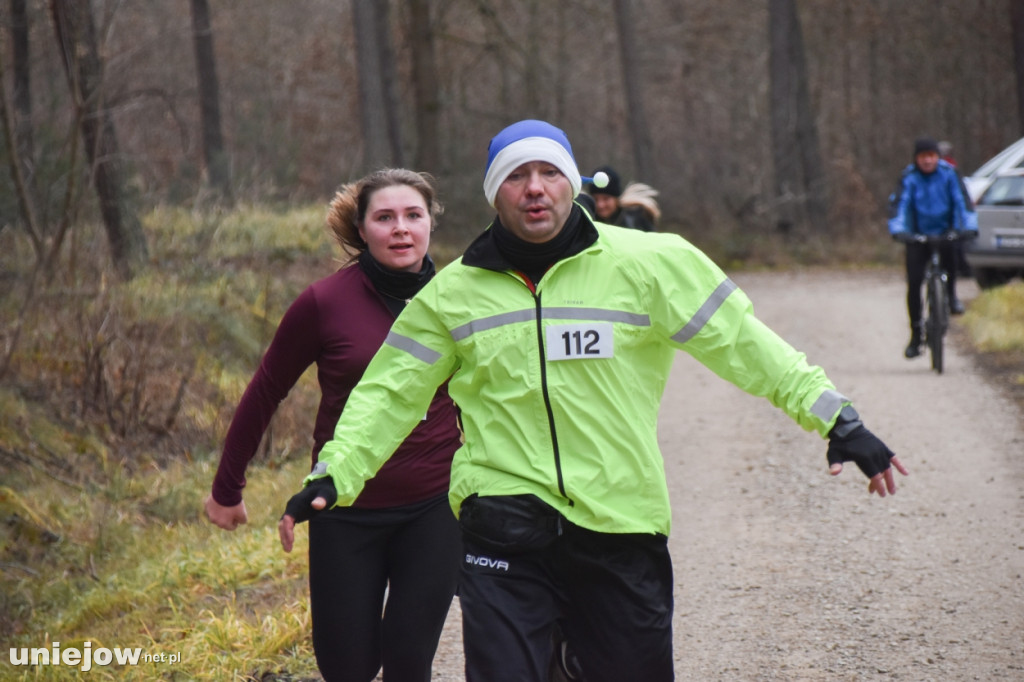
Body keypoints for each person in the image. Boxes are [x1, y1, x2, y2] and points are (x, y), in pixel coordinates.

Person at [280, 120, 907, 682]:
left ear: (571, 184)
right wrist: (336, 474)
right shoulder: (452, 296)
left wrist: (835, 416)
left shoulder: (653, 264)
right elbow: (387, 394)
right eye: (517, 176)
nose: (534, 188)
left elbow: (749, 347)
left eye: (549, 172)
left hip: (619, 522)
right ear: (494, 194)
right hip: (503, 526)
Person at [206, 168, 463, 682]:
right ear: (362, 228)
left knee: (410, 663)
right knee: (348, 667)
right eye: (384, 217)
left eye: (413, 215)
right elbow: (265, 390)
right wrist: (227, 487)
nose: (400, 229)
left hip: (435, 506)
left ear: (430, 224)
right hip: (344, 509)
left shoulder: (461, 299)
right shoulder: (324, 303)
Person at [888, 136, 978, 359]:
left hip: (944, 232)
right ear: (916, 159)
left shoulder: (949, 174)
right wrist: (899, 231)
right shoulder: (909, 178)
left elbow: (963, 201)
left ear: (938, 157)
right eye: (923, 157)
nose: (927, 161)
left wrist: (968, 227)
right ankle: (916, 335)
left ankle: (951, 297)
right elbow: (899, 205)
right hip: (917, 236)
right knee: (915, 283)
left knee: (951, 262)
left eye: (931, 156)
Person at [584, 164, 659, 231]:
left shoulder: (636, 221)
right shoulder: (586, 222)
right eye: (595, 199)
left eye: (606, 199)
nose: (600, 205)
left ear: (616, 199)